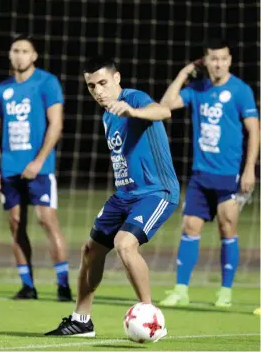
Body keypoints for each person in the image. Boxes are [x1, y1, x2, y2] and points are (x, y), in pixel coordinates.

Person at [45, 55, 180, 337]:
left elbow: (163, 111)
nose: (98, 91)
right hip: (125, 194)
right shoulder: (108, 115)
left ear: (117, 78)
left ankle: (150, 318)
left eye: (103, 83)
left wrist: (134, 112)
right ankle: (82, 321)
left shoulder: (134, 98)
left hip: (157, 192)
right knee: (90, 250)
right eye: (92, 86)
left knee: (124, 243)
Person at [158, 38, 259, 308]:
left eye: (223, 58)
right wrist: (183, 73)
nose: (218, 64)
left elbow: (254, 130)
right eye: (213, 59)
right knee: (189, 227)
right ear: (206, 61)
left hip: (228, 175)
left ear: (230, 60)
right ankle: (181, 290)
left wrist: (249, 169)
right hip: (200, 175)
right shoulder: (197, 88)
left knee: (228, 229)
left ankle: (225, 293)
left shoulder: (240, 91)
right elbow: (165, 105)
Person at [0, 34, 72, 301]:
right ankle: (28, 286)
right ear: (10, 55)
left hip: (40, 168)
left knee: (47, 220)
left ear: (34, 56)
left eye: (25, 51)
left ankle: (63, 285)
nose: (20, 55)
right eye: (15, 50)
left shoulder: (47, 82)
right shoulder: (3, 89)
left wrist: (38, 161)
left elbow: (56, 125)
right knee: (15, 224)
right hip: (9, 169)